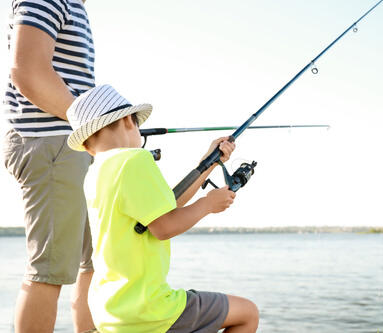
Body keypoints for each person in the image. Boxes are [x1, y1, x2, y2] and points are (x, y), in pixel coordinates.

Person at [66, 84, 259, 333]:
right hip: (147, 309)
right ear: (128, 120)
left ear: (86, 146)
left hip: (109, 310)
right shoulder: (135, 159)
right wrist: (207, 204)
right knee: (247, 313)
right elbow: (164, 227)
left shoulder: (95, 173)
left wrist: (208, 163)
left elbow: (167, 205)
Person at [3, 0, 95, 332]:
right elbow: (27, 70)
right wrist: (94, 123)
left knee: (95, 264)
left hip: (73, 145)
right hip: (54, 144)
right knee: (48, 272)